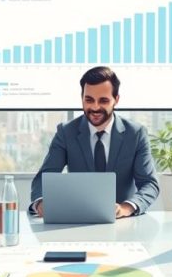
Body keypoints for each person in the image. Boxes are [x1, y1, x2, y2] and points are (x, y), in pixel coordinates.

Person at [30, 66, 159, 218]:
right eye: (89, 100)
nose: (95, 107)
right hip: (77, 220)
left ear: (116, 100)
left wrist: (126, 208)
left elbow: (149, 184)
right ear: (82, 98)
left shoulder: (135, 134)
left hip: (123, 222)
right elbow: (44, 178)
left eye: (103, 100)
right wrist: (41, 203)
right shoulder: (66, 132)